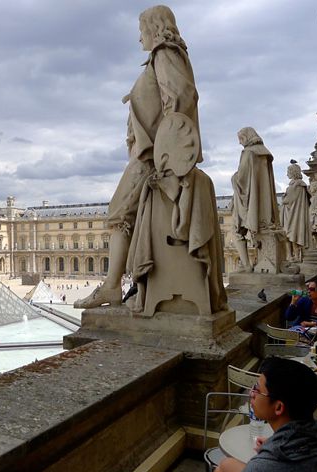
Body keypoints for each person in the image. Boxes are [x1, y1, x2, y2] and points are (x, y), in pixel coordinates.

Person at [75, 5, 201, 308]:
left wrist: (167, 153)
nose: (138, 38)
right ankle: (126, 283)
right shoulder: (163, 57)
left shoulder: (164, 53)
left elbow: (182, 97)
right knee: (124, 215)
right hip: (155, 154)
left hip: (152, 157)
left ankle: (111, 286)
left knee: (118, 214)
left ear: (153, 28)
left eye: (140, 30)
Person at [231, 127, 280, 272]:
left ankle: (246, 266)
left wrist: (233, 177)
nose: (240, 143)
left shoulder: (248, 153)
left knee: (237, 230)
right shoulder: (264, 153)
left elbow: (241, 179)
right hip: (264, 206)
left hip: (250, 202)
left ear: (246, 137)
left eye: (241, 139)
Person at [280, 160, 310, 263]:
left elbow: (289, 200)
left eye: (288, 171)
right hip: (289, 212)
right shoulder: (297, 185)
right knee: (287, 235)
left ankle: (296, 255)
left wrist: (284, 198)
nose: (287, 173)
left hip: (294, 214)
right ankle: (289, 255)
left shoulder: (297, 185)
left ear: (293, 172)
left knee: (292, 234)